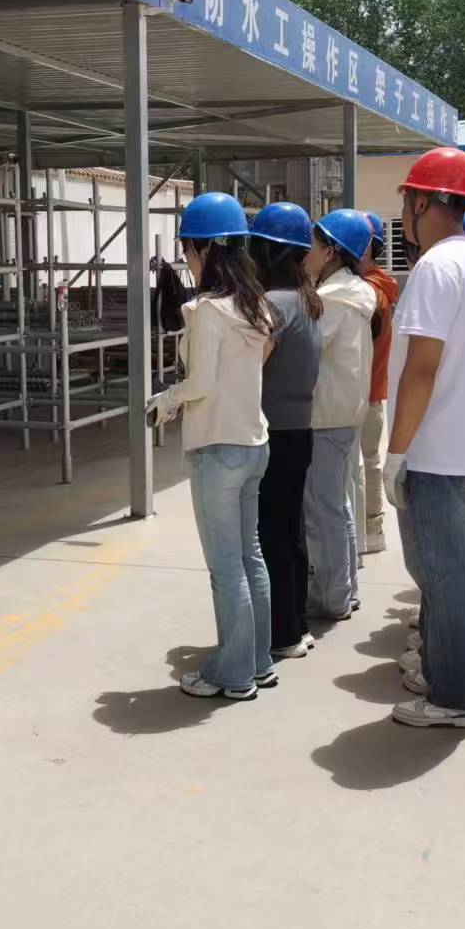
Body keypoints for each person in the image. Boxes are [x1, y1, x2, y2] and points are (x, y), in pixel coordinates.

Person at [384, 148, 465, 728]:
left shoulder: (436, 268)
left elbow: (421, 368)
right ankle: (442, 674)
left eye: (406, 202)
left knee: (448, 581)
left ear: (423, 203)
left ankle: (456, 699)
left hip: (439, 454)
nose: (403, 216)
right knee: (448, 576)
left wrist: (396, 453)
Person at [149, 193, 277, 699]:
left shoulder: (207, 312)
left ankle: (233, 674)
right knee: (250, 558)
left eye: (188, 250)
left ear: (205, 249)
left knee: (226, 568)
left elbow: (200, 383)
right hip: (253, 443)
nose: (187, 260)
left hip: (217, 450)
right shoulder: (255, 305)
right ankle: (259, 661)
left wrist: (166, 400)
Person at [247, 203, 322, 661]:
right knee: (291, 531)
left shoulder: (273, 305)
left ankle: (283, 633)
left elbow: (250, 366)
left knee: (271, 534)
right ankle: (297, 623)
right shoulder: (307, 300)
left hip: (273, 433)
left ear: (269, 252)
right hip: (300, 429)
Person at [303, 209, 378, 622]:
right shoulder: (356, 293)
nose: (307, 253)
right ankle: (346, 589)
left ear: (331, 251)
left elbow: (307, 351)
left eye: (314, 246)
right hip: (346, 414)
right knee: (339, 505)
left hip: (326, 416)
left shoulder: (332, 301)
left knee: (323, 511)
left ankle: (331, 597)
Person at [359, 213, 400, 555]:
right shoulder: (377, 286)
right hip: (369, 392)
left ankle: (371, 526)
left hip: (365, 393)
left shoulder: (371, 292)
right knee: (367, 461)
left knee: (366, 463)